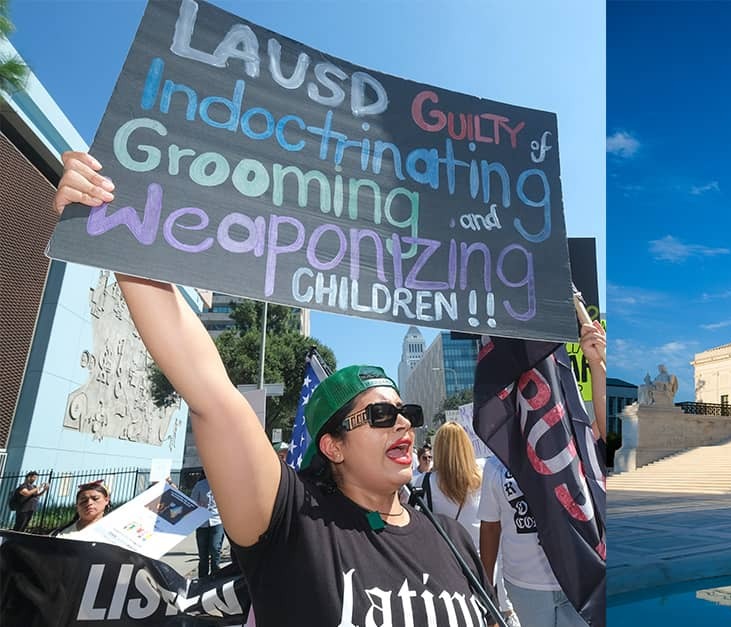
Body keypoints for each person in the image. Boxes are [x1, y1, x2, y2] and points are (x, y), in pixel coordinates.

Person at [53, 152, 494, 625]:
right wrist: (110, 222)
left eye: (405, 412)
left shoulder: (453, 537)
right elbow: (209, 391)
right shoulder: (292, 524)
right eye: (381, 416)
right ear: (333, 446)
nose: (403, 422)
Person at [423, 424, 520, 626]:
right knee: (501, 614)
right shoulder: (487, 474)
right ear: (468, 446)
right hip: (491, 569)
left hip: (451, 570)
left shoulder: (423, 484)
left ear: (438, 449)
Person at [479, 458, 585, 627]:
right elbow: (490, 527)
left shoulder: (574, 445)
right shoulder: (495, 464)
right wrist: (486, 585)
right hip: (526, 585)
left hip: (578, 578)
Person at [190, 473, 225, 578]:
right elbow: (192, 502)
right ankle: (203, 578)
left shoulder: (221, 485)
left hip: (217, 521)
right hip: (202, 523)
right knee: (203, 553)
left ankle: (216, 575)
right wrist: (198, 506)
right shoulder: (200, 485)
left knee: (215, 548)